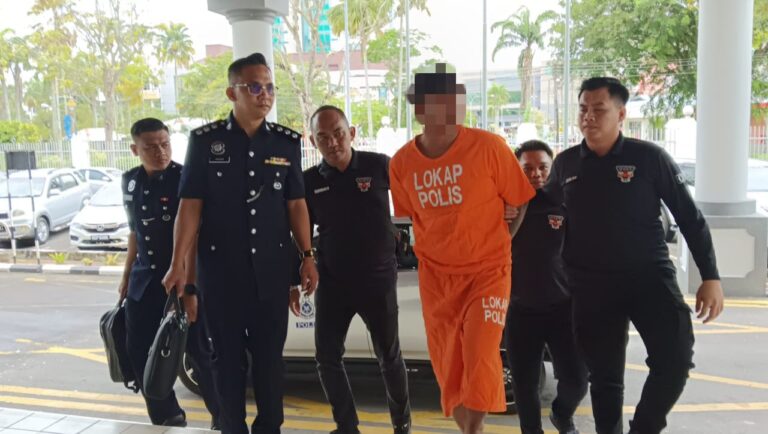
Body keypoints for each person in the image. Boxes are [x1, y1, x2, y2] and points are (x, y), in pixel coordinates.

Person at [544, 77, 724, 434]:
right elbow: (541, 209)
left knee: (675, 359)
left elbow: (689, 217)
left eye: (599, 109)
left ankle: (644, 427)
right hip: (592, 286)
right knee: (605, 378)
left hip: (649, 279)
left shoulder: (649, 158)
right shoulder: (566, 164)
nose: (588, 117)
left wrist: (711, 276)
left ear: (622, 114)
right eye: (583, 109)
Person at [162, 52, 319, 434]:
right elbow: (190, 208)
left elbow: (296, 205)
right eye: (255, 87)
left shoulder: (285, 142)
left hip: (270, 277)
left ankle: (270, 428)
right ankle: (231, 427)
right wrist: (178, 264)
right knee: (227, 363)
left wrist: (307, 256)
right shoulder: (205, 141)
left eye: (269, 88)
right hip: (221, 277)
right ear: (232, 93)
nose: (265, 95)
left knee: (270, 363)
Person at [389, 64, 535, 434]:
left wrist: (503, 240)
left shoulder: (489, 147)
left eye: (457, 98)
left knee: (480, 352)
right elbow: (411, 218)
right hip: (437, 279)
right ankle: (467, 429)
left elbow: (520, 198)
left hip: (488, 272)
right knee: (448, 363)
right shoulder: (402, 163)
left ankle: (475, 429)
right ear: (421, 110)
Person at [297, 105, 411, 434]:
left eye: (338, 134)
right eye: (323, 137)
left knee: (389, 357)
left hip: (378, 280)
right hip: (333, 282)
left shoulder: (379, 165)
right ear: (312, 141)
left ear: (352, 133)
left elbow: (414, 202)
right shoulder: (309, 180)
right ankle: (347, 426)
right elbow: (299, 229)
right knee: (327, 358)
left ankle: (401, 424)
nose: (332, 142)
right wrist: (300, 266)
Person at [119, 117, 220, 428]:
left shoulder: (185, 178)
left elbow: (195, 235)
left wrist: (189, 286)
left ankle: (224, 417)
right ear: (135, 149)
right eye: (151, 147)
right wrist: (126, 276)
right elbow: (134, 232)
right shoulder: (130, 181)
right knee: (138, 350)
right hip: (144, 282)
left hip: (182, 280)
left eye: (165, 144)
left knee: (199, 353)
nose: (160, 152)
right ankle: (167, 416)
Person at [505, 140, 588, 434]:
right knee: (525, 386)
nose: (536, 174)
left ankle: (562, 415)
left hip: (562, 309)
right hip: (519, 310)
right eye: (527, 168)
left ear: (552, 169)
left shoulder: (564, 203)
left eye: (542, 167)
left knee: (577, 379)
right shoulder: (506, 206)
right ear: (516, 169)